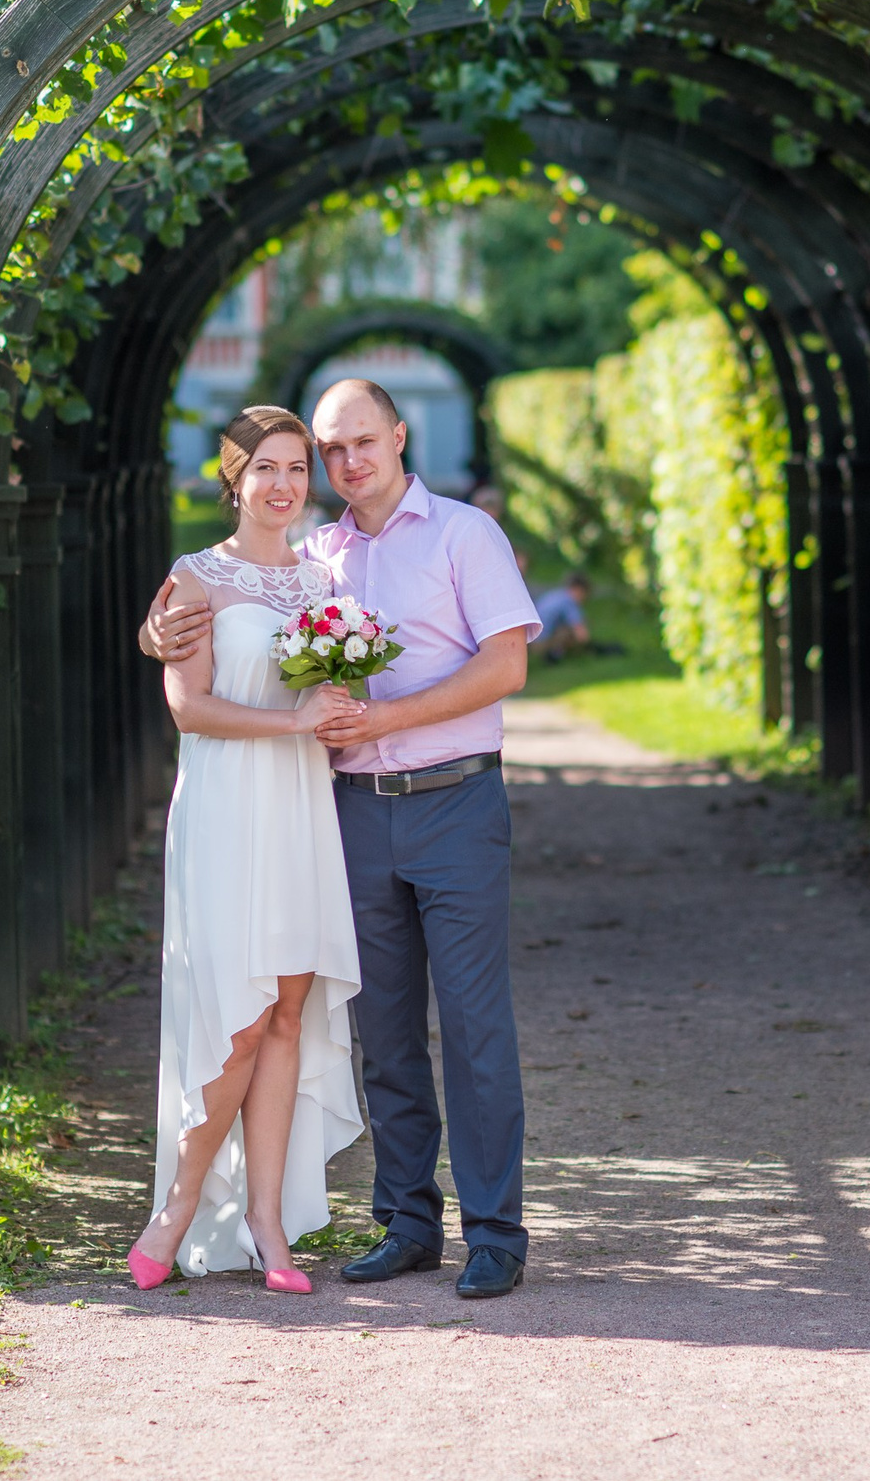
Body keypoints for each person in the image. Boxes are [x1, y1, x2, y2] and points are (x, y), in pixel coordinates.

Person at [143, 378, 541, 1300]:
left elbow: (507, 662)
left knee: (476, 1026)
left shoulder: (463, 536)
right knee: (384, 1028)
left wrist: (384, 714)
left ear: (399, 437)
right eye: (331, 451)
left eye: (363, 441)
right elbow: (224, 603)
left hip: (455, 805)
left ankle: (494, 1232)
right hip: (349, 813)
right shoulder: (317, 556)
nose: (348, 461)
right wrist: (155, 629)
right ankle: (407, 1221)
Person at [128, 406, 367, 1295]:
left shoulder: (320, 586)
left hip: (301, 809)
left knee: (286, 1018)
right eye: (265, 467)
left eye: (298, 469)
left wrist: (337, 708)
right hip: (228, 811)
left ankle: (270, 1224)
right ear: (233, 479)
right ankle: (181, 1206)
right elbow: (187, 708)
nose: (284, 485)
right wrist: (293, 720)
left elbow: (333, 697)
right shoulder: (194, 581)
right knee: (235, 1021)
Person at [533, 573, 592, 663]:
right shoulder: (569, 601)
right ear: (579, 590)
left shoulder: (556, 595)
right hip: (540, 643)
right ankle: (556, 654)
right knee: (569, 632)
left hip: (530, 638)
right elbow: (581, 635)